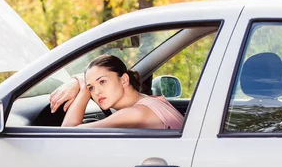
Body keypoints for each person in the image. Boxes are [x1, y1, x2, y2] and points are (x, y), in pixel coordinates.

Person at [50, 54, 184, 129]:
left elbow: (68, 132)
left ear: (124, 80)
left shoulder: (136, 113)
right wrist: (80, 81)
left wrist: (83, 87)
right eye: (91, 87)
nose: (96, 92)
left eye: (102, 81)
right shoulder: (153, 101)